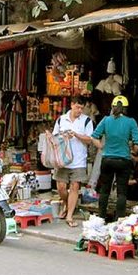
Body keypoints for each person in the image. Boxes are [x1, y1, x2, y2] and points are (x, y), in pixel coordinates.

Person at [91, 95, 138, 220]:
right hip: (123, 160)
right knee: (122, 192)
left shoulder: (106, 120)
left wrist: (102, 147)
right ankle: (119, 219)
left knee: (104, 191)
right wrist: (132, 151)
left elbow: (94, 137)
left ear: (113, 107)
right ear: (126, 109)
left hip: (107, 160)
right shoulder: (131, 122)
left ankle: (101, 218)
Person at [52, 96, 93, 228]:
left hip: (79, 160)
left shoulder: (87, 121)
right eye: (77, 107)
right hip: (63, 160)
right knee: (61, 187)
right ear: (72, 105)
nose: (80, 110)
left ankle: (69, 214)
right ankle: (66, 203)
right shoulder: (61, 119)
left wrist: (76, 135)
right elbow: (54, 137)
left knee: (74, 187)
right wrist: (63, 137)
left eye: (82, 108)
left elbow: (89, 139)